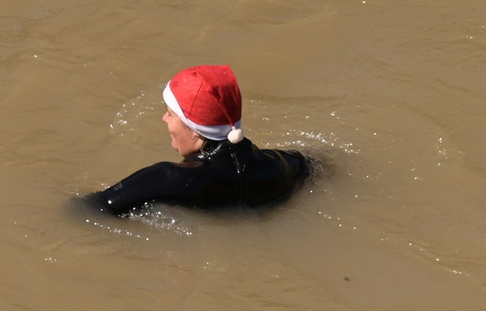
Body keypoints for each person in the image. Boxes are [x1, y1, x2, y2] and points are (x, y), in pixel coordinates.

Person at [83, 64, 314, 217]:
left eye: (170, 114)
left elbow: (95, 208)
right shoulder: (279, 165)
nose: (164, 119)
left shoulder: (170, 178)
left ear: (195, 130)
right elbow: (313, 164)